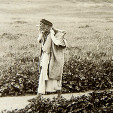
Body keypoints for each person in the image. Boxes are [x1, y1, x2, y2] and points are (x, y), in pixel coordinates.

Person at [37, 19, 67, 98]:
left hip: (53, 58)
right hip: (45, 57)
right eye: (40, 26)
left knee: (54, 75)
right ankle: (39, 94)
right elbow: (40, 42)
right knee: (43, 74)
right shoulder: (43, 34)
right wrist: (42, 33)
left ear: (47, 26)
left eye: (42, 26)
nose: (40, 27)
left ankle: (59, 94)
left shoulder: (55, 35)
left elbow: (60, 40)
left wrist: (53, 31)